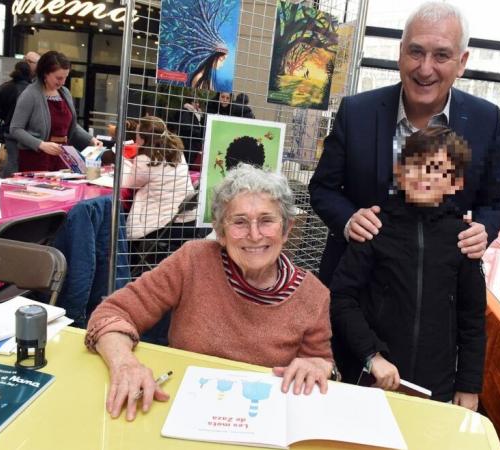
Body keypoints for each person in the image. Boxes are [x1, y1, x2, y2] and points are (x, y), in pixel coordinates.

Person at [85, 164, 336, 420]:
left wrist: (318, 366)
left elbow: (320, 362)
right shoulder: (193, 261)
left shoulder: (314, 296)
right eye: (239, 222)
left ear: (286, 229)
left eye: (266, 220)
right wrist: (125, 364)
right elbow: (112, 313)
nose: (254, 234)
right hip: (182, 409)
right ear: (221, 233)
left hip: (261, 419)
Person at [309, 1, 500, 288]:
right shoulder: (356, 112)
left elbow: (495, 203)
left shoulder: (485, 120)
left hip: (436, 296)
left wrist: (483, 231)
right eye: (416, 51)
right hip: (353, 291)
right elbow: (322, 188)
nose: (425, 69)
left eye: (441, 55)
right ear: (400, 52)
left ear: (461, 62)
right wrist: (349, 220)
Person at [330, 126, 486, 410]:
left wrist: (468, 384)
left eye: (437, 168)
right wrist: (371, 354)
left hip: (436, 385)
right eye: (415, 165)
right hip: (373, 377)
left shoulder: (463, 239)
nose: (424, 175)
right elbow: (342, 298)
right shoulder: (375, 228)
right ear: (399, 172)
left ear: (455, 183)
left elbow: (473, 318)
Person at [122, 116, 199, 277]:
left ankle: (128, 273)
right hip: (186, 220)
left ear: (144, 139)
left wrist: (123, 164)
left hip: (162, 224)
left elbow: (128, 183)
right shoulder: (176, 152)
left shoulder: (145, 160)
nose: (135, 138)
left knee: (124, 236)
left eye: (137, 135)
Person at [9, 51, 101, 172]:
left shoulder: (65, 93)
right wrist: (41, 145)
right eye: (59, 78)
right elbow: (15, 129)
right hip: (36, 159)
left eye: (65, 77)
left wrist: (91, 139)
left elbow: (71, 125)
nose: (63, 82)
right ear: (45, 74)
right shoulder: (30, 94)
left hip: (62, 156)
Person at [0, 61, 31, 177]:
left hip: (9, 129)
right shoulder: (32, 90)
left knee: (12, 160)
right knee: (27, 162)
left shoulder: (4, 87)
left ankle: (7, 186)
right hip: (28, 132)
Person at [178, 97, 205, 171]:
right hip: (189, 144)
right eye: (195, 102)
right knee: (188, 164)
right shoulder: (187, 111)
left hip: (193, 144)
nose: (198, 104)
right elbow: (185, 126)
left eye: (198, 102)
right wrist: (198, 132)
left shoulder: (196, 113)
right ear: (191, 103)